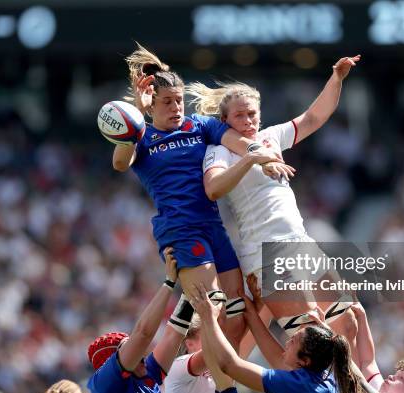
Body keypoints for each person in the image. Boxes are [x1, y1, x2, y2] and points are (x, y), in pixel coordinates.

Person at [112, 43, 289, 348]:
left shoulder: (200, 126)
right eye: (167, 102)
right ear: (151, 105)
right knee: (212, 305)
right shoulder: (142, 136)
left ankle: (215, 375)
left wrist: (265, 156)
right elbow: (119, 163)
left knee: (239, 308)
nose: (176, 107)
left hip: (212, 226)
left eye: (179, 100)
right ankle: (204, 380)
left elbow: (239, 142)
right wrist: (137, 118)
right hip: (181, 230)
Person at [189, 55, 361, 346]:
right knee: (310, 340)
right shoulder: (219, 152)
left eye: (252, 114)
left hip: (299, 241)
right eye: (239, 116)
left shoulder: (270, 137)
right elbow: (213, 188)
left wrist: (336, 79)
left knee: (347, 323)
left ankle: (346, 390)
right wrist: (252, 159)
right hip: (266, 251)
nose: (248, 121)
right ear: (224, 121)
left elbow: (313, 118)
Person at [188, 282, 371, 393]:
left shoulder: (299, 384)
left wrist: (208, 319)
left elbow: (230, 365)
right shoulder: (320, 377)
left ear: (304, 361)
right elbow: (272, 351)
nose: (286, 341)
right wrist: (253, 309)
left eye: (293, 341)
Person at [86, 248, 188, 393]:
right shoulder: (103, 385)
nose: (141, 353)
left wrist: (190, 289)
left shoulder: (144, 374)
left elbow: (173, 336)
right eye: (128, 347)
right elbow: (143, 335)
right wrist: (169, 282)